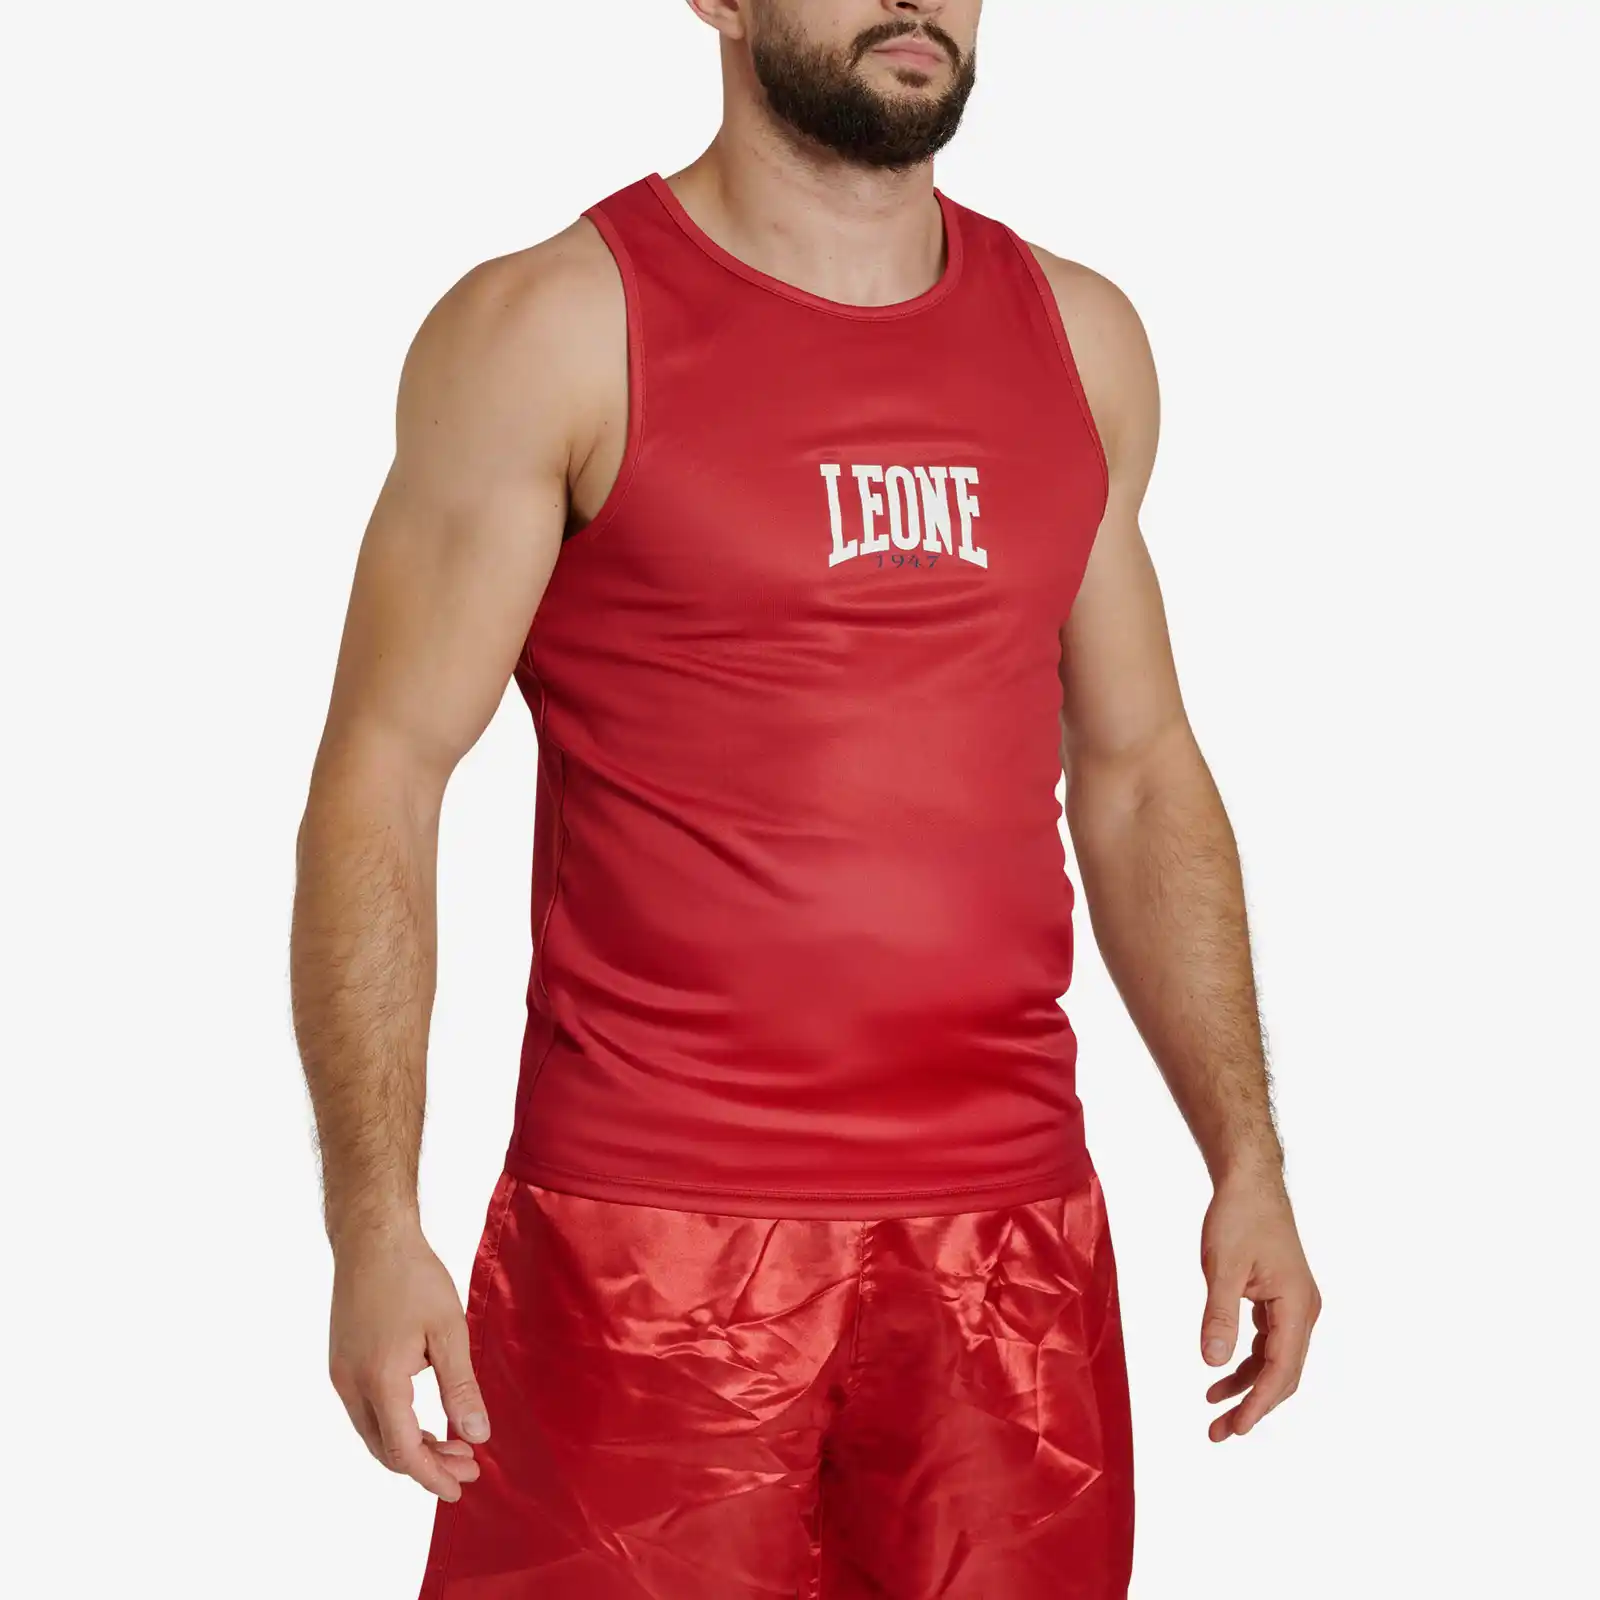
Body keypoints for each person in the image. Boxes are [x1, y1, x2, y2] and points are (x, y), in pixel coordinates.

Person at [290, 2, 1321, 1595]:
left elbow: (1139, 773)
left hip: (1011, 1233)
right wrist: (374, 1224)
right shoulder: (555, 329)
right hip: (652, 1235)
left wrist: (1247, 1156)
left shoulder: (1080, 339)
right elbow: (385, 773)